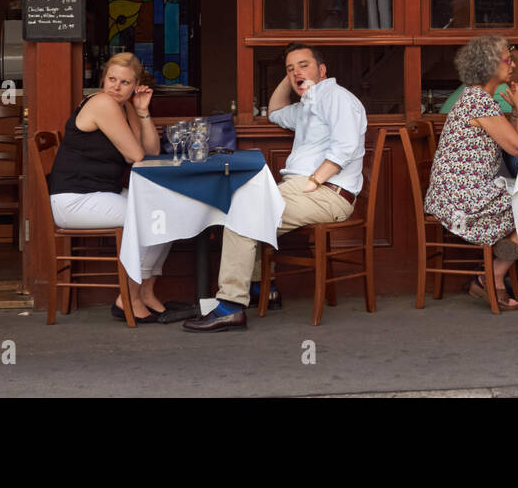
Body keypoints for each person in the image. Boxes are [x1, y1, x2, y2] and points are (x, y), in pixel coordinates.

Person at [184, 43, 366, 331]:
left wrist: (314, 182)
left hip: (326, 192)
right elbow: (276, 110)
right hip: (306, 189)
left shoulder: (335, 96)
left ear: (323, 70)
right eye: (290, 68)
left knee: (244, 212)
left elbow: (344, 149)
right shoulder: (308, 104)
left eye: (304, 65)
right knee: (241, 203)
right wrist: (293, 75)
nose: (296, 72)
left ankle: (230, 306)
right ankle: (261, 289)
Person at [424, 36, 518, 309]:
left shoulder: (478, 98)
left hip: (456, 193)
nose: (512, 64)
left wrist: (517, 111)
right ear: (489, 65)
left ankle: (492, 273)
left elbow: (512, 139)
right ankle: (492, 274)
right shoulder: (479, 101)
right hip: (462, 199)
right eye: (507, 59)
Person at [48, 52, 172, 323]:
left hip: (101, 195)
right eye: (111, 79)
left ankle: (146, 293)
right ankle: (127, 298)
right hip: (74, 200)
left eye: (125, 82)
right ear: (103, 79)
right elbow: (135, 156)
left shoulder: (125, 107)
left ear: (136, 85)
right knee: (151, 218)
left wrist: (141, 111)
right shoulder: (102, 102)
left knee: (166, 214)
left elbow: (150, 151)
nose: (116, 86)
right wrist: (134, 123)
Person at [438, 46, 518, 114]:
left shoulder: (474, 91)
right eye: (508, 61)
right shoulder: (480, 99)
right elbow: (515, 138)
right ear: (493, 65)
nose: (513, 65)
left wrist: (517, 110)